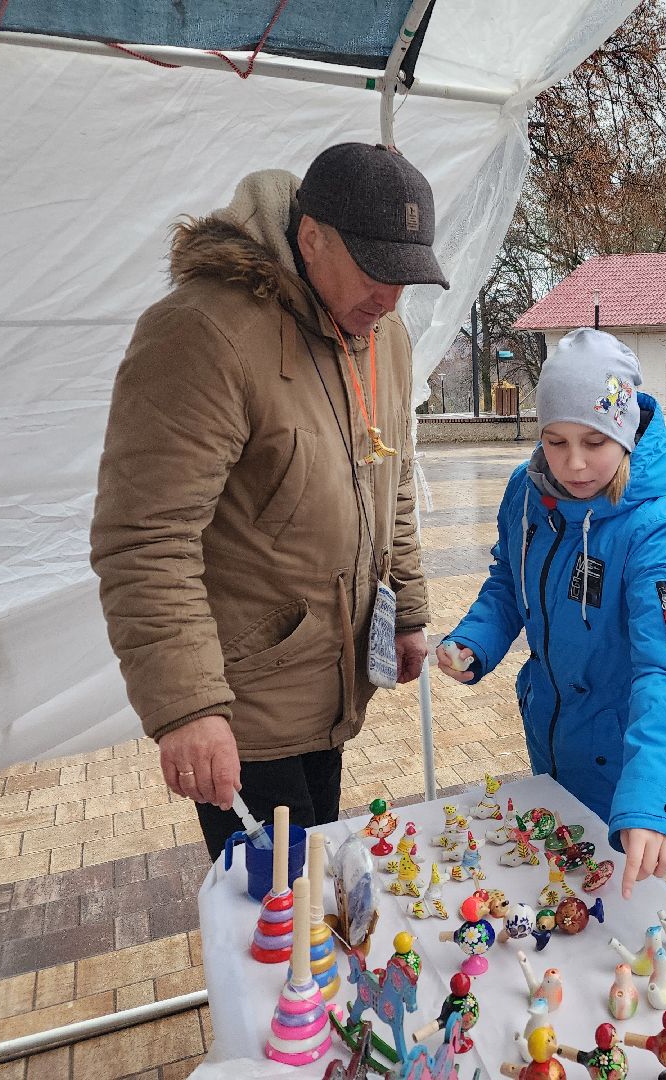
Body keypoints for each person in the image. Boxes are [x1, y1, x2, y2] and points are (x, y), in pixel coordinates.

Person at [91, 143, 448, 861]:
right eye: (377, 270)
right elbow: (145, 539)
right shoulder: (204, 331)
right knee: (277, 932)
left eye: (405, 277)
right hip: (244, 707)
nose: (391, 297)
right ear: (311, 239)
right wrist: (188, 707)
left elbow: (393, 481)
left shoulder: (381, 335)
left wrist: (406, 608)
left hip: (331, 689)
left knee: (314, 905)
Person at [436, 329, 666, 898]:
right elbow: (508, 583)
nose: (575, 464)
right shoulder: (527, 491)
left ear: (626, 431)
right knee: (558, 893)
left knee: (610, 903)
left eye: (594, 441)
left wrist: (652, 797)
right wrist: (477, 639)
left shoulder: (650, 528)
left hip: (621, 759)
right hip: (549, 731)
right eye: (556, 441)